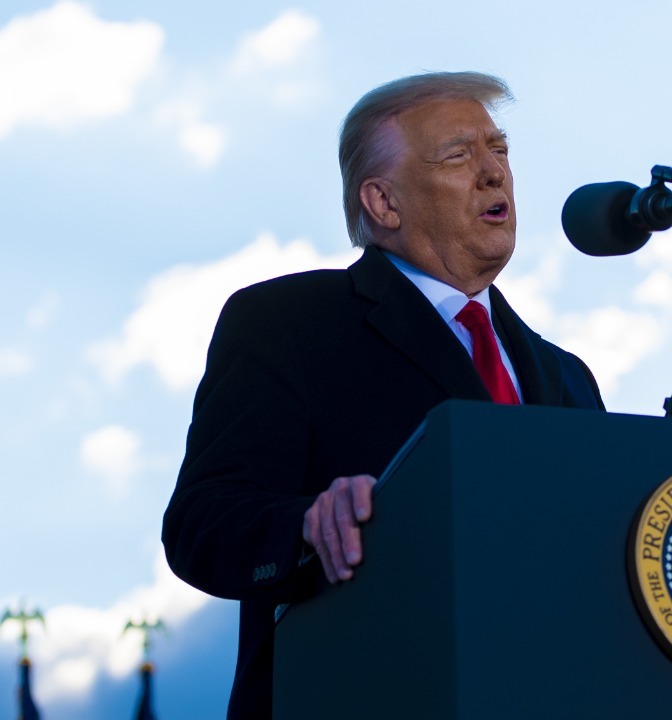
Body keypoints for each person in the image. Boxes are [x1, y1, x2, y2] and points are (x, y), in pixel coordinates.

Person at [162, 71, 605, 719]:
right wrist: (309, 526)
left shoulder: (566, 377)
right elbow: (203, 524)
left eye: (499, 149)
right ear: (383, 203)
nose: (493, 173)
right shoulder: (289, 323)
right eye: (459, 154)